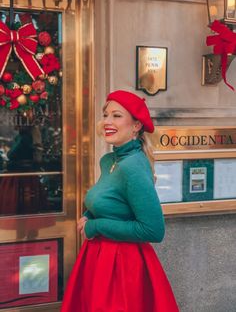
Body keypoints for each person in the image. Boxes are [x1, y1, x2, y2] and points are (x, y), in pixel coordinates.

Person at [61, 90, 179, 312]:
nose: (107, 121)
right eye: (106, 115)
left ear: (136, 126)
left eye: (116, 116)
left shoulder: (133, 166)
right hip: (99, 258)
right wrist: (89, 215)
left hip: (122, 266)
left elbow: (153, 230)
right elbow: (108, 201)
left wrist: (95, 226)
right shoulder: (109, 161)